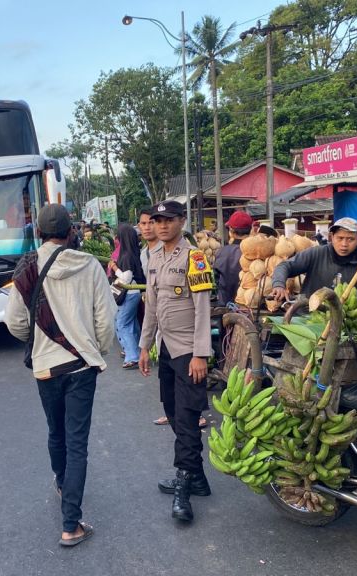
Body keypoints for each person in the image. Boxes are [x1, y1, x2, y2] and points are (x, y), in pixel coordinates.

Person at [4, 204, 116, 548]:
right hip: (81, 367)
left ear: (38, 233)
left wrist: (37, 342)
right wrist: (93, 349)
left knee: (56, 431)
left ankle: (60, 481)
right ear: (72, 232)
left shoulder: (27, 269)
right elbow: (104, 322)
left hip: (46, 368)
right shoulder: (91, 267)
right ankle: (71, 525)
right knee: (77, 442)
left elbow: (15, 323)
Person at [138, 199, 214, 523]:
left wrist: (200, 354)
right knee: (171, 411)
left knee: (186, 418)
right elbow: (152, 306)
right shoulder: (154, 258)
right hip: (166, 349)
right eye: (157, 220)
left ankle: (184, 484)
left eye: (169, 219)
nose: (162, 224)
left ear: (182, 221)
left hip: (188, 352)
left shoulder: (194, 257)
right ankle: (197, 477)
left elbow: (203, 308)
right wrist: (144, 346)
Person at [270, 217, 357, 304]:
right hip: (308, 315)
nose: (344, 244)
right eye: (340, 238)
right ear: (331, 237)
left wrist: (355, 302)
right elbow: (284, 266)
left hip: (343, 317)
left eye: (350, 239)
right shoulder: (316, 253)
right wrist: (279, 285)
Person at [112, 224, 145, 369]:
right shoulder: (134, 253)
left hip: (129, 293)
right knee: (132, 324)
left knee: (122, 323)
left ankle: (132, 356)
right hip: (135, 293)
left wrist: (114, 268)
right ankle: (135, 351)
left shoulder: (125, 256)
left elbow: (126, 278)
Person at [214, 211, 254, 306]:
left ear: (231, 231)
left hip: (225, 306)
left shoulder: (222, 252)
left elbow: (215, 280)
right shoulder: (257, 252)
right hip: (251, 304)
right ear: (251, 230)